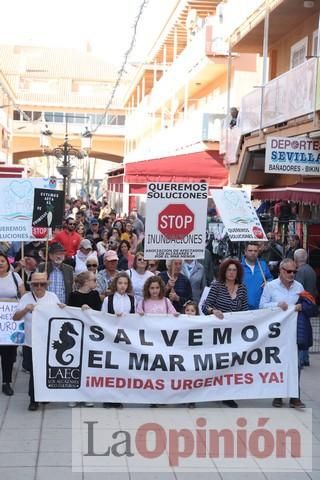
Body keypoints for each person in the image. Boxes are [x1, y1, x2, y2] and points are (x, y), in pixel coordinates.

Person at [259, 258, 307, 409]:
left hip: (294, 331)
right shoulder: (270, 286)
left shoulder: (299, 286)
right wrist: (276, 305)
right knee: (278, 362)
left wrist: (301, 306)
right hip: (276, 333)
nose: (292, 274)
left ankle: (295, 396)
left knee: (296, 364)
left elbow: (306, 303)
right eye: (289, 271)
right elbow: (262, 306)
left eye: (294, 271)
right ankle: (278, 395)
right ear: (281, 270)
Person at [202, 258, 248, 408]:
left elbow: (245, 310)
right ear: (224, 271)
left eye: (234, 270)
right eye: (229, 270)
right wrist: (213, 310)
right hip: (217, 333)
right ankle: (211, 390)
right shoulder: (216, 286)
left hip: (234, 334)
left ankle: (228, 394)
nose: (232, 273)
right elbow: (205, 306)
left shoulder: (242, 288)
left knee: (231, 364)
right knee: (216, 363)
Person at [12, 272, 61, 411]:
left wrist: (63, 308)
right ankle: (33, 398)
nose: (39, 287)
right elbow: (15, 317)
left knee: (46, 370)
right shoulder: (26, 297)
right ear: (31, 285)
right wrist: (25, 309)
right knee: (34, 371)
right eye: (35, 284)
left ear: (46, 285)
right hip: (30, 342)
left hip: (48, 342)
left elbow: (60, 315)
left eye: (42, 284)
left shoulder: (52, 297)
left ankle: (43, 396)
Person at [101, 272, 135, 409]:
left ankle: (119, 397)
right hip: (111, 337)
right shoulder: (108, 300)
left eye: (125, 283)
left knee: (121, 368)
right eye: (120, 283)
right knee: (110, 368)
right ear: (116, 284)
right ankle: (108, 397)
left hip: (125, 337)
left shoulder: (132, 300)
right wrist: (113, 317)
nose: (122, 286)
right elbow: (102, 317)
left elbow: (135, 318)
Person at [0, 254, 25, 396]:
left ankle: (6, 382)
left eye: (2, 261)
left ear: (7, 263)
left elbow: (23, 295)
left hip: (10, 322)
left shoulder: (15, 277)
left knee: (8, 354)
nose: (0, 264)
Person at [294, 248, 318, 367]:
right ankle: (306, 357)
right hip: (311, 302)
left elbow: (298, 289)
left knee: (301, 332)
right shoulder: (311, 270)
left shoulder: (300, 272)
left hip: (303, 304)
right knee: (306, 330)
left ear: (295, 259)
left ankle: (302, 358)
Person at [241, 242, 273, 310]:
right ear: (245, 252)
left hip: (260, 306)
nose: (253, 253)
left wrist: (268, 282)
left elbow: (270, 278)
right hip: (243, 307)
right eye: (250, 250)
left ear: (258, 252)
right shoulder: (239, 267)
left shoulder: (263, 265)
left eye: (255, 251)